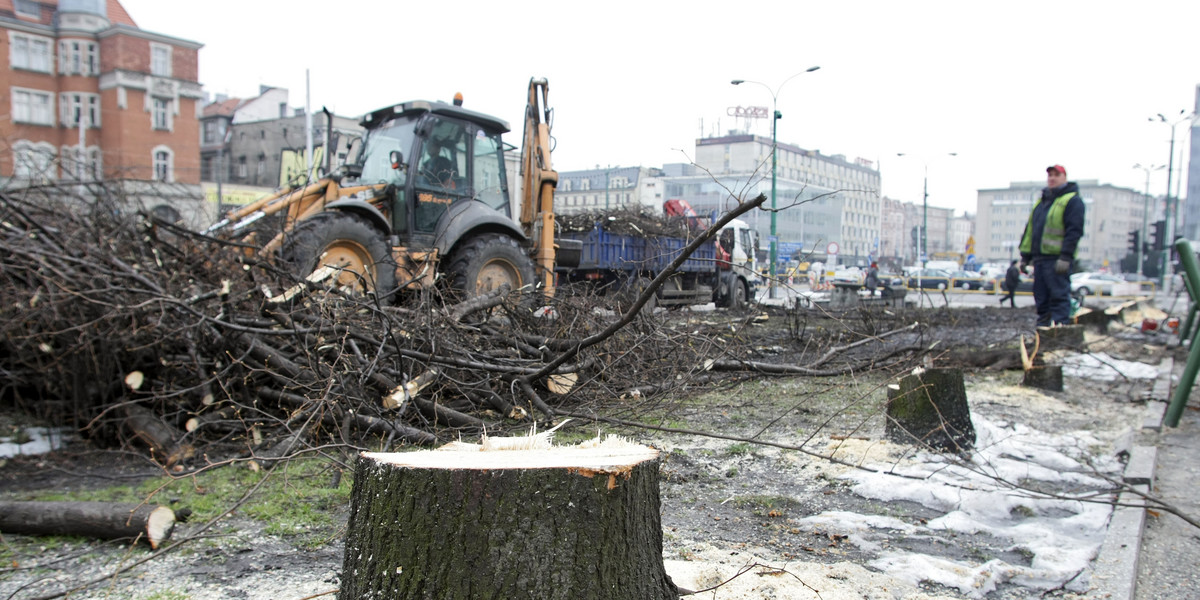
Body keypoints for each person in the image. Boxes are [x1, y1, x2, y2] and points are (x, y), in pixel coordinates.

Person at [1019, 165, 1085, 326]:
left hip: (1056, 259)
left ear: (1064, 177)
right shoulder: (1042, 203)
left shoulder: (1072, 201)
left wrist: (1065, 257)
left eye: (1056, 175)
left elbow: (1074, 231)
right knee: (1041, 298)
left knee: (1059, 296)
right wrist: (1025, 257)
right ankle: (1043, 332)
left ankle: (1059, 331)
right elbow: (1031, 231)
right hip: (1040, 259)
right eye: (1050, 175)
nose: (1052, 178)